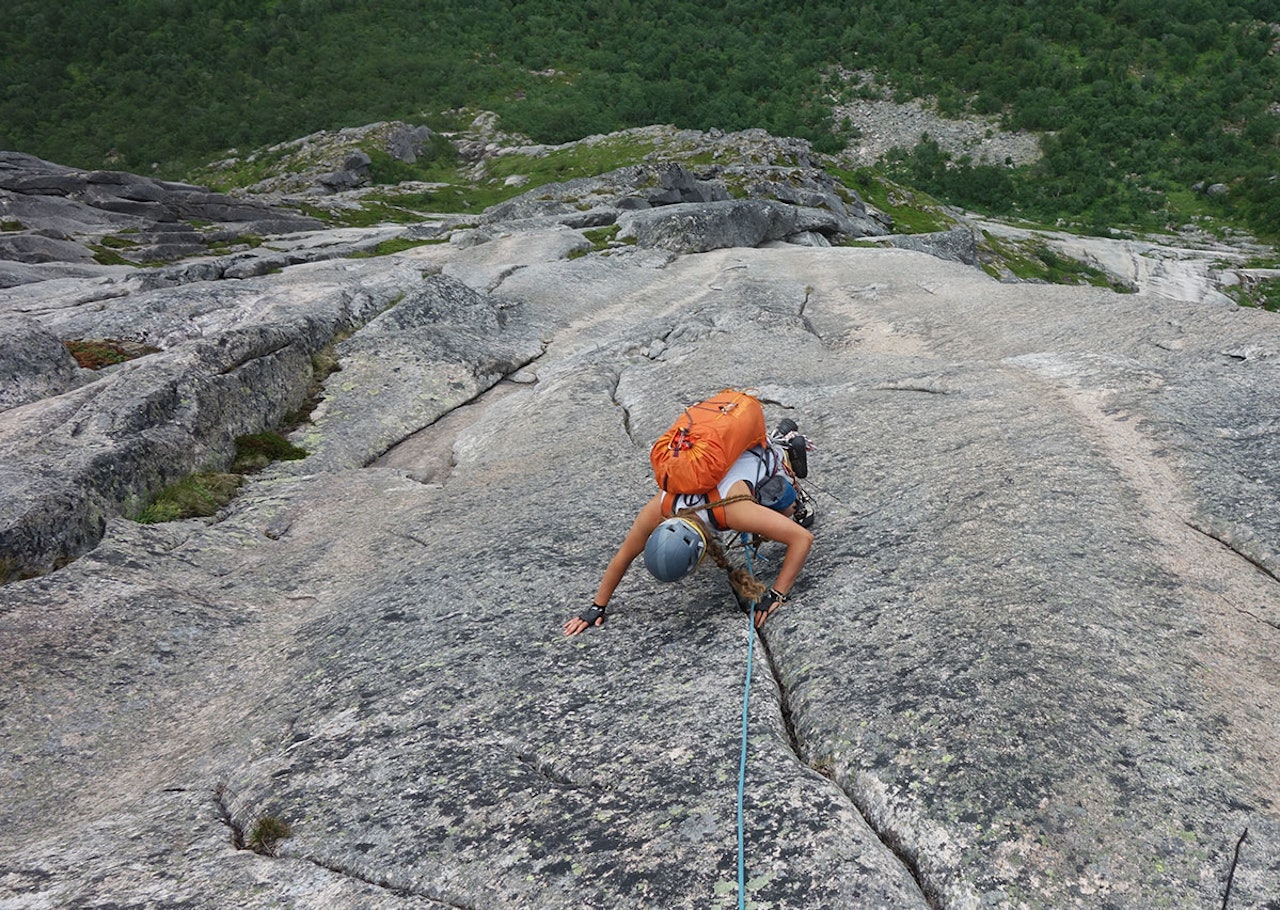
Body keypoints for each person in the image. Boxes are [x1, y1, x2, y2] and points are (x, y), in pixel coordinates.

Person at [564, 440, 813, 636]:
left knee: (783, 509)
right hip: (724, 459)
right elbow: (625, 556)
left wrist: (777, 595)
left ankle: (787, 456)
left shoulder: (733, 511)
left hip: (760, 455)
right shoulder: (662, 507)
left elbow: (802, 539)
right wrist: (597, 607)